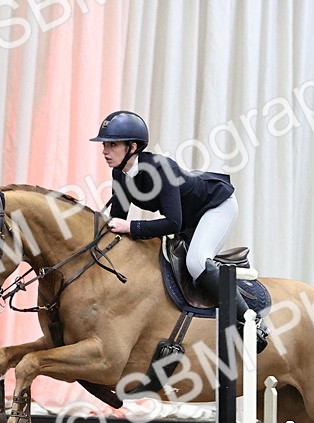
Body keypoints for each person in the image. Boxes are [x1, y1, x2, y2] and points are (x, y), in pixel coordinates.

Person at [91, 110, 266, 351]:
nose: (105, 150)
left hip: (216, 206)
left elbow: (172, 223)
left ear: (132, 147)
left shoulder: (161, 168)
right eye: (104, 144)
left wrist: (131, 227)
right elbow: (117, 220)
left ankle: (251, 322)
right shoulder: (119, 174)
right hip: (189, 218)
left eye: (112, 145)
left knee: (196, 263)